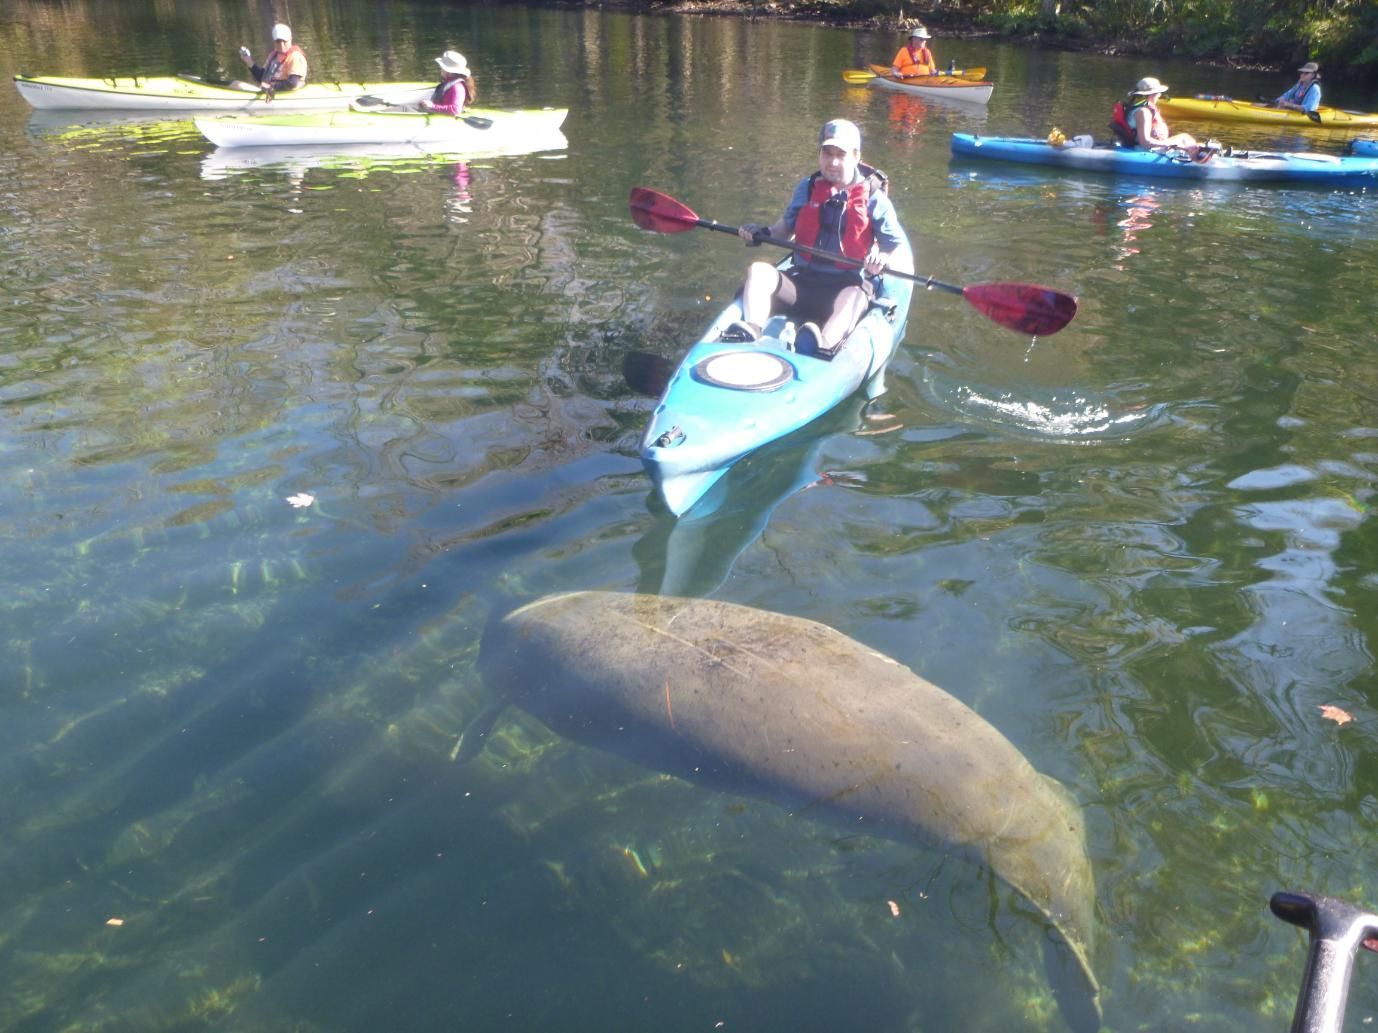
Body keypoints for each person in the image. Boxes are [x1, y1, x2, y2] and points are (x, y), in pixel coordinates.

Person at [723, 118, 909, 360]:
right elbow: (784, 228)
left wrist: (881, 258)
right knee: (758, 271)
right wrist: (760, 233)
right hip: (801, 284)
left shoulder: (874, 198)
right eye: (827, 153)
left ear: (856, 156)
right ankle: (752, 329)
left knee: (855, 295)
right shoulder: (808, 187)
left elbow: (893, 245)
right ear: (819, 153)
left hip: (843, 287)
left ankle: (822, 344)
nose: (832, 162)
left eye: (840, 155)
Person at [1110, 77, 1202, 160]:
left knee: (1185, 138)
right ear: (1151, 95)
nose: (1159, 95)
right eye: (1158, 93)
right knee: (1184, 138)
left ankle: (1197, 153)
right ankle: (1197, 160)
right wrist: (1174, 145)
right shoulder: (1143, 112)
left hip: (1149, 146)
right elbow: (1145, 142)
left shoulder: (1142, 109)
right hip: (1145, 149)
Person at [232, 23, 308, 93]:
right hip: (270, 91)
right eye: (278, 41)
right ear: (274, 41)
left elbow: (292, 83)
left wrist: (271, 87)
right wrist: (249, 62)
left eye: (284, 41)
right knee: (236, 84)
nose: (281, 45)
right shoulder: (274, 55)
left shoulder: (295, 57)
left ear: (290, 39)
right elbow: (262, 77)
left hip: (285, 93)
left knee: (238, 85)